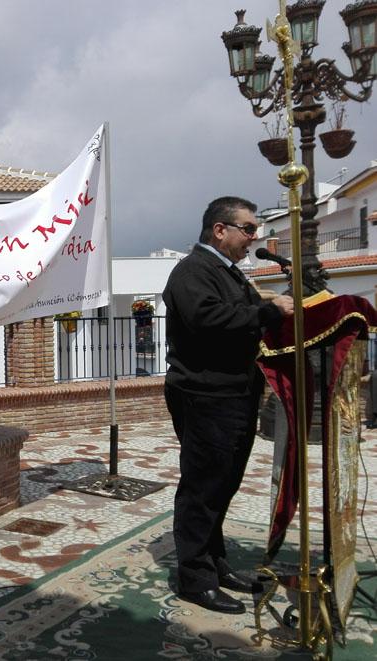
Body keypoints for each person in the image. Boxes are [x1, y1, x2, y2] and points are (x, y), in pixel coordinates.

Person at [163, 196, 294, 615]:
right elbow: (208, 321)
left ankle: (215, 564)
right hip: (205, 395)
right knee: (203, 487)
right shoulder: (192, 272)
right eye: (249, 229)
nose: (254, 237)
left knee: (224, 483)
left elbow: (235, 316)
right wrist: (268, 312)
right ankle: (194, 577)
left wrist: (265, 309)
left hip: (233, 393)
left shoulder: (226, 272)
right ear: (221, 230)